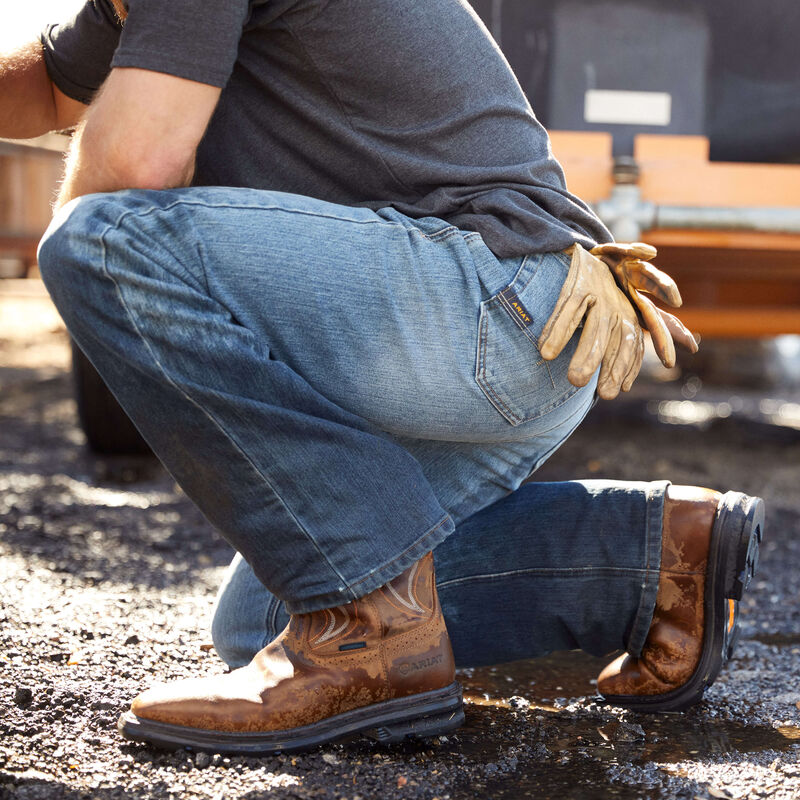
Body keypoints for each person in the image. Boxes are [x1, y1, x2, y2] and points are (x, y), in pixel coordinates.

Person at [1, 0, 762, 754]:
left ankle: (374, 632)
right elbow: (43, 90)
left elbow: (134, 173)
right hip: (507, 326)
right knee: (260, 627)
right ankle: (651, 557)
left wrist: (108, 283)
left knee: (97, 240)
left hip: (488, 305)